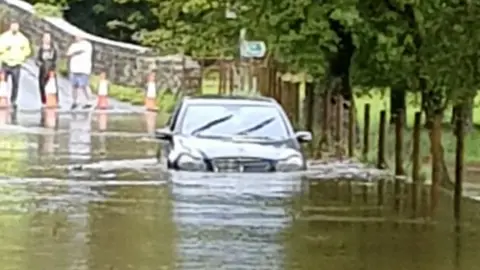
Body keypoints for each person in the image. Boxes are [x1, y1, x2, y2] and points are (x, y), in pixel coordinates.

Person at [0, 21, 31, 109]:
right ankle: (2, 98)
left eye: (16, 27)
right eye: (13, 26)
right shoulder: (4, 37)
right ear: (10, 27)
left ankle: (13, 101)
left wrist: (23, 56)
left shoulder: (23, 39)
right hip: (6, 63)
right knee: (2, 83)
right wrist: (5, 48)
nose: (14, 28)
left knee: (15, 84)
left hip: (17, 64)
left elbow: (28, 50)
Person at [66, 34, 93, 109]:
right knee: (74, 86)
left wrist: (74, 52)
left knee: (84, 85)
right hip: (74, 69)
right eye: (76, 36)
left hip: (83, 69)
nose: (77, 37)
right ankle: (75, 101)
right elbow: (68, 53)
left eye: (78, 36)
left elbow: (79, 51)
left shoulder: (87, 45)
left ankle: (89, 101)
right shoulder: (73, 45)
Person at [36, 32, 58, 106]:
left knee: (53, 86)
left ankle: (55, 100)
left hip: (51, 69)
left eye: (48, 38)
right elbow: (37, 59)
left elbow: (56, 58)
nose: (47, 39)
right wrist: (39, 64)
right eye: (45, 37)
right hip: (42, 69)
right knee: (42, 85)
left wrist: (54, 67)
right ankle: (44, 101)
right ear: (42, 39)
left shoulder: (53, 48)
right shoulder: (40, 48)